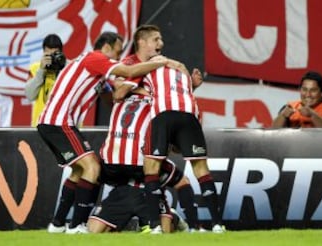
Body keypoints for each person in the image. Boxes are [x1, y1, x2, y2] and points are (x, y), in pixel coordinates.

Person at [37, 31, 173, 234]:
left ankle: (57, 224)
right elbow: (128, 71)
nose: (117, 59)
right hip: (58, 121)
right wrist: (160, 62)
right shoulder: (95, 58)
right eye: (116, 54)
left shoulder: (97, 70)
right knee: (92, 166)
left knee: (79, 170)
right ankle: (77, 226)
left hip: (59, 122)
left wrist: (136, 91)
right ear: (107, 47)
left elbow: (114, 96)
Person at [99, 25, 205, 233]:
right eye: (156, 40)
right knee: (94, 172)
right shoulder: (127, 66)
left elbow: (170, 94)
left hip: (149, 142)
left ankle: (184, 225)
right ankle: (173, 220)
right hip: (129, 147)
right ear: (142, 42)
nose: (161, 44)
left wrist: (189, 86)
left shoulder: (160, 67)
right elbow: (118, 93)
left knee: (169, 179)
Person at [138, 65, 225, 233]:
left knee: (151, 170)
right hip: (189, 115)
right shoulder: (184, 78)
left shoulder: (151, 69)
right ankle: (217, 224)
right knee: (202, 170)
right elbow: (181, 148)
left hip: (162, 115)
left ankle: (155, 225)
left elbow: (129, 87)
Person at [25, 34, 66, 127]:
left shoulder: (70, 68)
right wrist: (41, 70)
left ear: (61, 53)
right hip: (41, 126)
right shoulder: (35, 68)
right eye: (48, 55)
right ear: (43, 53)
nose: (52, 59)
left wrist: (62, 66)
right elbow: (29, 96)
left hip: (64, 126)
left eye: (55, 54)